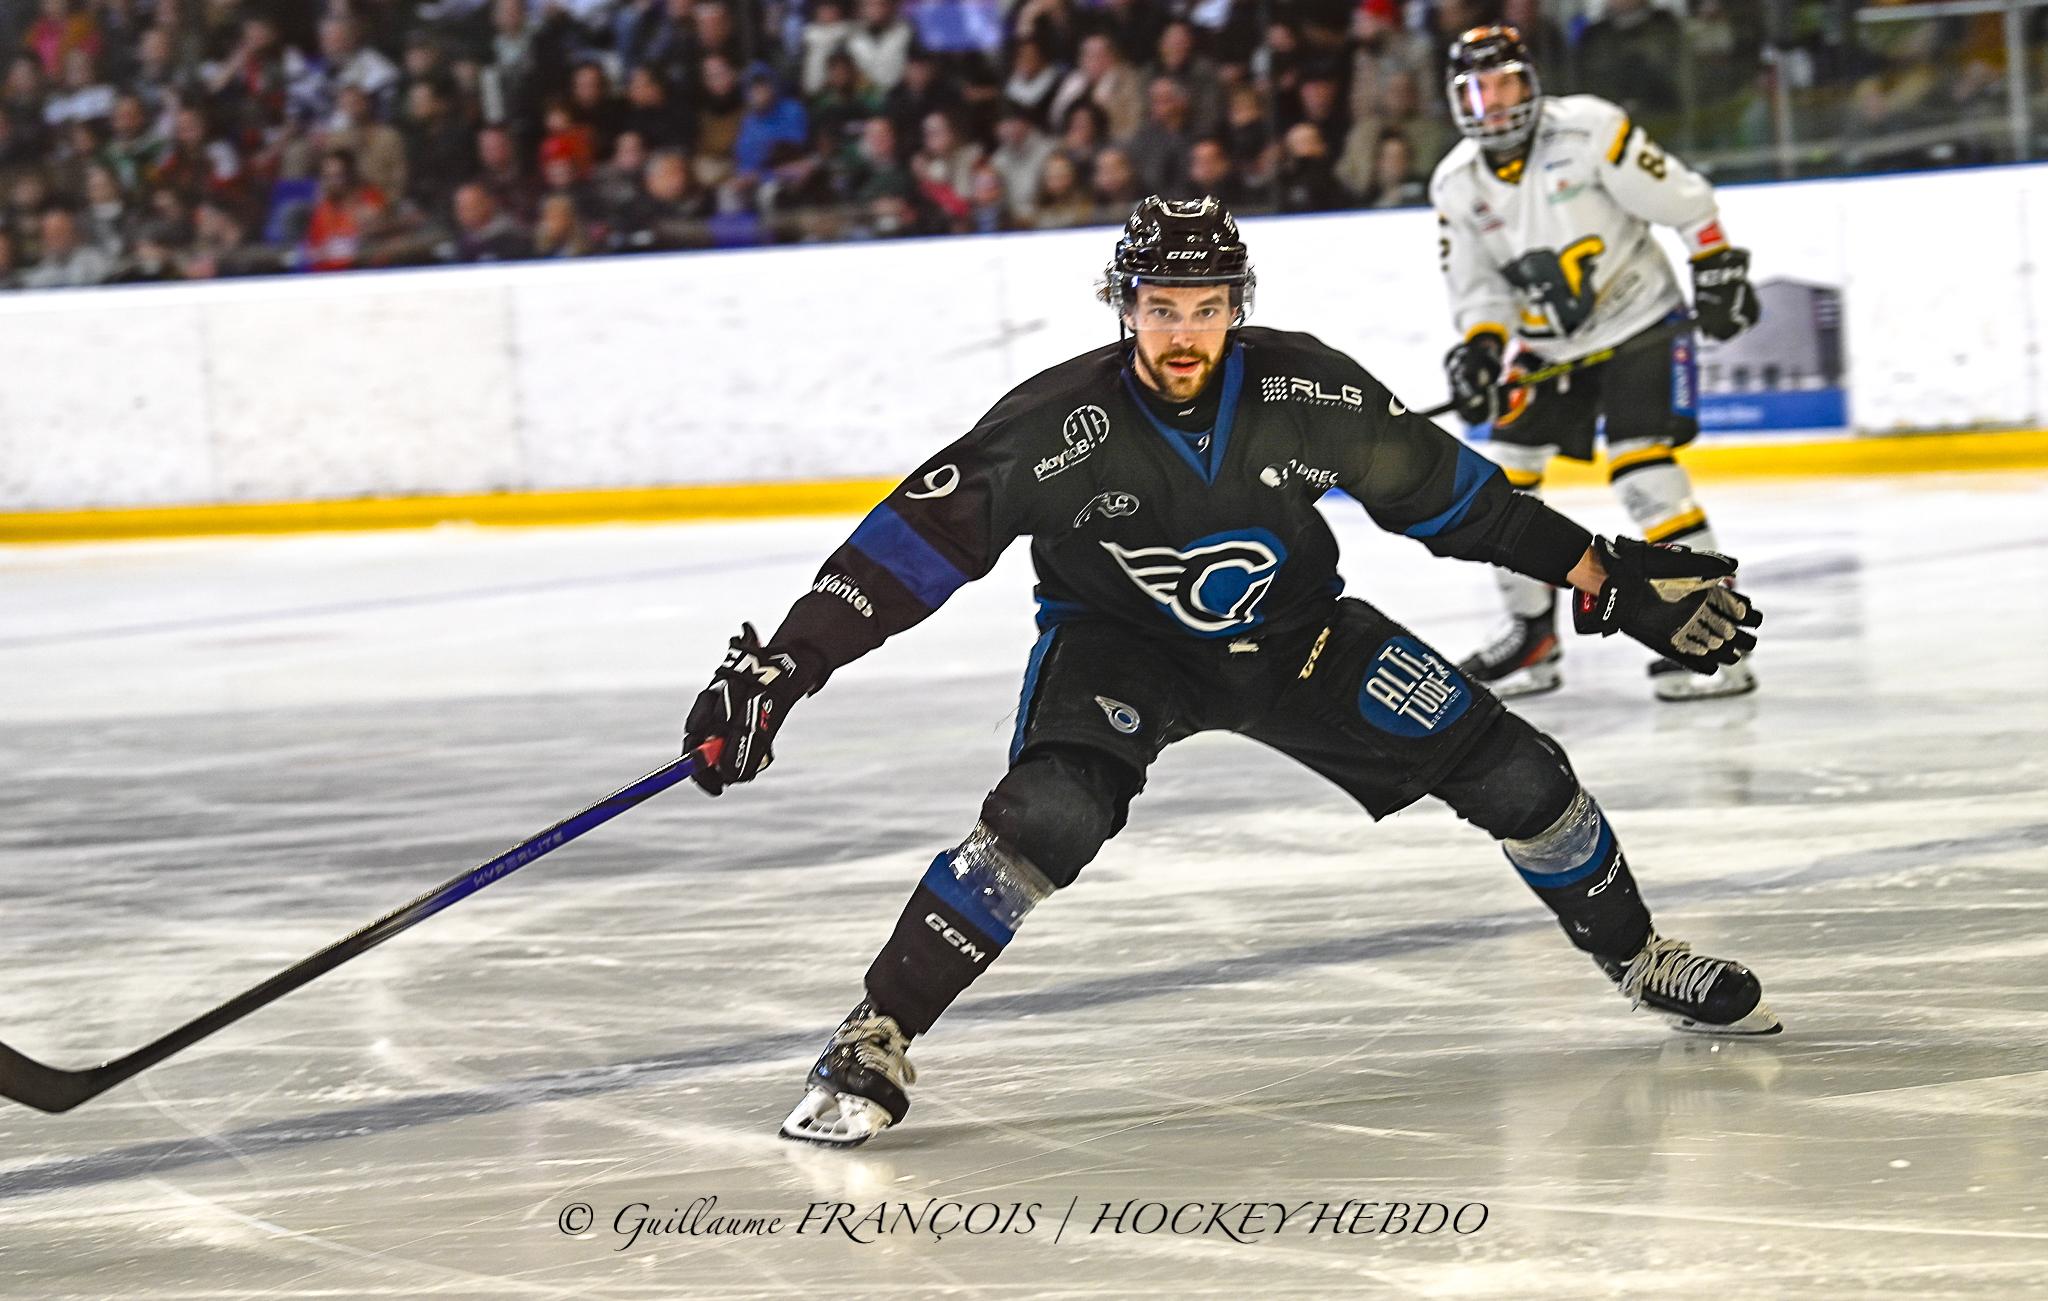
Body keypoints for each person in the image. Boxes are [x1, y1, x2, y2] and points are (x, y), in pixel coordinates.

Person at [683, 196, 1777, 1148]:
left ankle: (1638, 955)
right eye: (1161, 307)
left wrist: (1602, 575)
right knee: (1050, 811)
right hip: (1122, 647)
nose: (1182, 333)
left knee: (1520, 774)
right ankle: (875, 1030)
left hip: (1303, 640)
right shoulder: (1058, 424)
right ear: (1124, 306)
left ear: (1235, 306)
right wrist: (783, 667)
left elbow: (1460, 504)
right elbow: (904, 554)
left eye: (1205, 308)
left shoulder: (1309, 391)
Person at [1430, 27, 1762, 702]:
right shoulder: (1456, 183)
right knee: (1502, 482)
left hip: (1641, 321)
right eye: (1477, 89)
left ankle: (1717, 642)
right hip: (1550, 348)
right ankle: (1533, 636)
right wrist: (1483, 350)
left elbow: (1686, 202)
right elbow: (1479, 289)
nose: (1494, 101)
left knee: (1644, 472)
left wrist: (1716, 264)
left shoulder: (1588, 130)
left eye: (1505, 83)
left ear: (1531, 83)